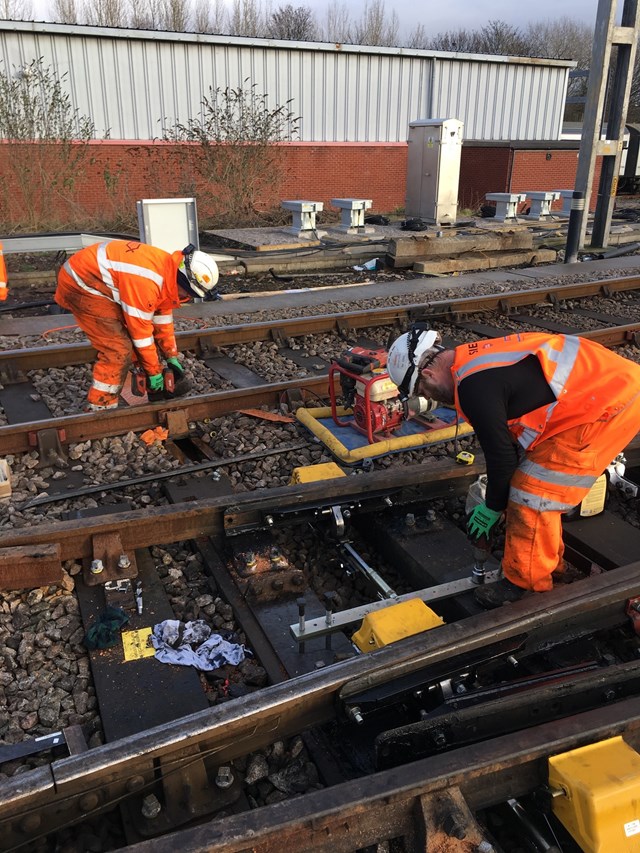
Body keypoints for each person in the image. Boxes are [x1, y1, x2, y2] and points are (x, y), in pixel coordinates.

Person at [387, 325, 640, 608]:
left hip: (607, 405)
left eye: (424, 390)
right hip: (604, 389)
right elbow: (509, 444)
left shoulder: (472, 388)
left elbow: (502, 458)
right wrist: (498, 502)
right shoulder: (473, 360)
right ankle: (548, 564)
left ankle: (526, 584)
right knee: (530, 484)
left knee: (531, 493)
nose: (431, 397)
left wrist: (493, 507)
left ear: (428, 374)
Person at [55, 240, 219, 410]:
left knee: (136, 342)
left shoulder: (166, 273)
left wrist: (171, 355)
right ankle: (101, 407)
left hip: (96, 279)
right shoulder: (147, 282)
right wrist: (154, 371)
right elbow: (140, 334)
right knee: (118, 349)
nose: (189, 297)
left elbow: (161, 321)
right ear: (183, 281)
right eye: (190, 293)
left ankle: (145, 380)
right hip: (82, 283)